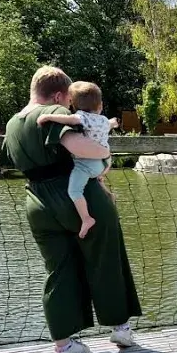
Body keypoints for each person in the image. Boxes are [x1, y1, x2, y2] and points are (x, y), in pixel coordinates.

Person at [3, 66, 143, 353]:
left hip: (37, 201)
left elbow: (9, 158)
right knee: (107, 259)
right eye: (68, 101)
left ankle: (64, 347)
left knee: (59, 270)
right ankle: (121, 330)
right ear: (57, 95)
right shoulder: (54, 111)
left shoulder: (13, 123)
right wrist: (105, 155)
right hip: (79, 197)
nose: (69, 107)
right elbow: (79, 146)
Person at [36, 81, 120, 238]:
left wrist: (47, 116)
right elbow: (110, 124)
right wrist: (114, 123)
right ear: (100, 105)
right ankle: (107, 193)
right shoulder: (102, 120)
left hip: (87, 163)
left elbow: (69, 120)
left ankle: (86, 218)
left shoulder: (81, 117)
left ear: (73, 106)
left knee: (74, 191)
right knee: (97, 177)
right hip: (105, 162)